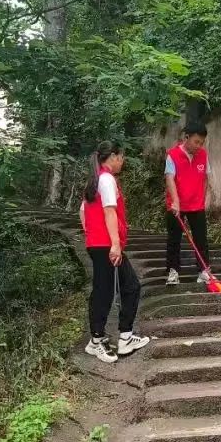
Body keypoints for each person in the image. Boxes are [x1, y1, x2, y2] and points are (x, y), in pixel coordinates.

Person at [79, 141, 149, 363]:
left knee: (116, 288)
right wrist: (115, 244)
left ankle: (121, 337)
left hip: (97, 243)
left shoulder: (95, 179)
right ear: (113, 157)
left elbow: (82, 211)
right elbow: (110, 212)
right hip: (106, 244)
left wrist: (92, 234)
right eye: (122, 157)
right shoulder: (107, 179)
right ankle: (99, 340)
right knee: (114, 289)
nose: (123, 161)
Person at [164, 120, 212, 286]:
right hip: (176, 205)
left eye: (201, 143)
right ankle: (173, 271)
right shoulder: (172, 155)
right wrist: (176, 201)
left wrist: (203, 197)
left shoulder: (203, 155)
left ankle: (204, 271)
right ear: (186, 137)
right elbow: (169, 178)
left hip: (196, 204)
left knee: (201, 238)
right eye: (196, 142)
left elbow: (206, 178)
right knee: (174, 239)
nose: (199, 146)